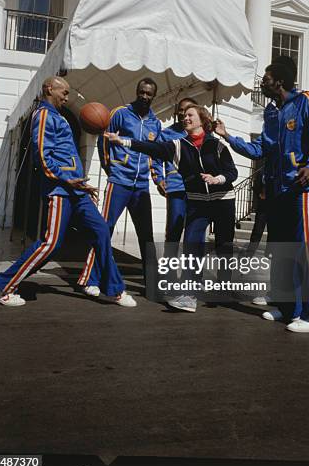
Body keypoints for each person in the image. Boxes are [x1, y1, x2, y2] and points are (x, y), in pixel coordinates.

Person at [0, 76, 136, 307]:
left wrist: (82, 185)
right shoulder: (43, 115)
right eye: (63, 92)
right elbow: (42, 157)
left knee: (102, 231)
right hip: (60, 190)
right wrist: (68, 180)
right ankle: (1, 285)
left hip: (76, 191)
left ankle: (115, 290)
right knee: (51, 244)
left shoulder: (58, 116)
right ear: (49, 89)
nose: (66, 97)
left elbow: (66, 156)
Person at [215, 56, 309, 333]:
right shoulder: (271, 112)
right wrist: (227, 136)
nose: (262, 83)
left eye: (265, 79)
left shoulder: (305, 101)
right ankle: (288, 308)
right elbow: (260, 150)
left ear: (279, 81)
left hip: (304, 187)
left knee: (303, 248)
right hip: (280, 191)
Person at [106, 104, 238, 313]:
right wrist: (123, 141)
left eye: (190, 115)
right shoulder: (178, 145)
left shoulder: (217, 146)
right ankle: (189, 295)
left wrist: (217, 178)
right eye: (184, 115)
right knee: (192, 244)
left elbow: (232, 172)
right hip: (198, 202)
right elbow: (152, 148)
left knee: (224, 246)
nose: (185, 118)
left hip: (223, 200)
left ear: (202, 120)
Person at [78, 78, 163, 291]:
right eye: (141, 92)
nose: (144, 96)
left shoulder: (155, 123)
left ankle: (152, 282)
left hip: (141, 186)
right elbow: (104, 141)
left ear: (154, 96)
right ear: (136, 92)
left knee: (147, 235)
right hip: (119, 182)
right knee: (104, 229)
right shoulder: (120, 114)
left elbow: (155, 154)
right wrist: (111, 168)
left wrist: (157, 178)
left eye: (148, 93)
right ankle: (91, 279)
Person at [154, 97, 198, 244]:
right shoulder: (167, 134)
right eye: (180, 110)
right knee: (173, 232)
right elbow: (155, 158)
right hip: (176, 188)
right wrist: (159, 179)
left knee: (194, 235)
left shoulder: (202, 134)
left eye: (187, 110)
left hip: (198, 190)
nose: (183, 113)